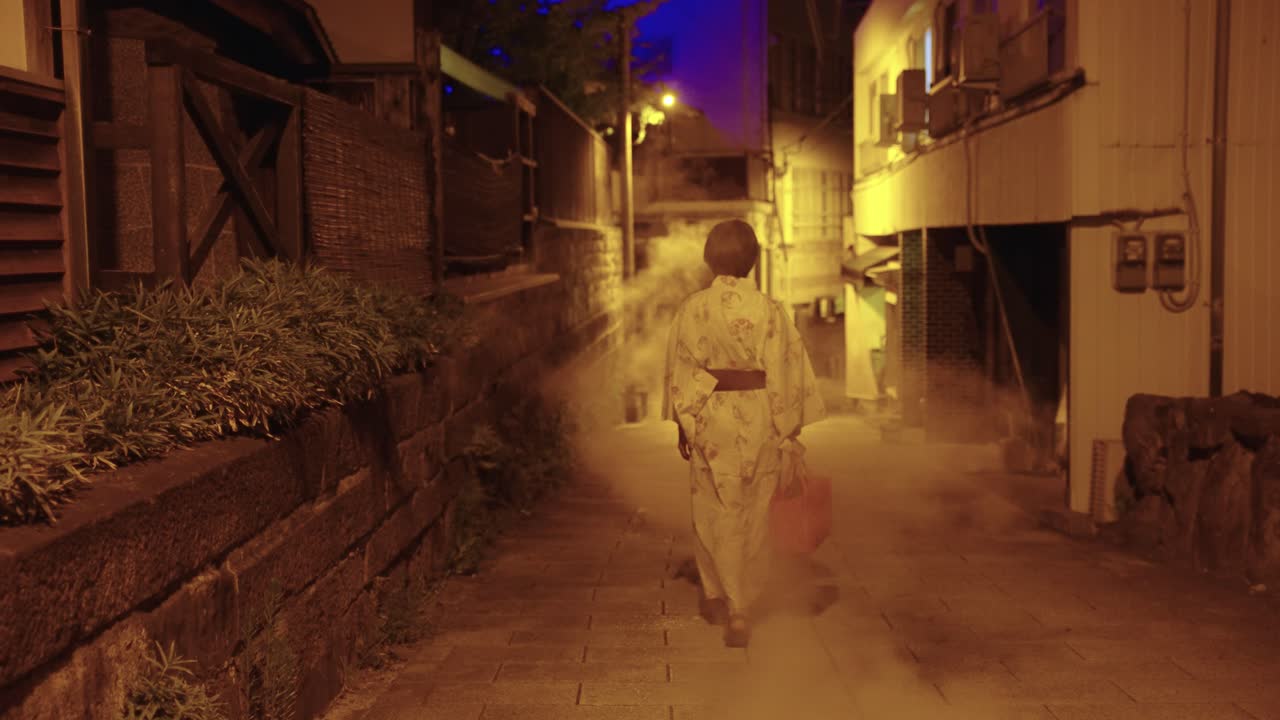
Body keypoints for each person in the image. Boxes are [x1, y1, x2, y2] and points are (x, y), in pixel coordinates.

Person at [662, 219, 825, 648]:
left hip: (711, 418)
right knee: (752, 515)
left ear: (709, 258)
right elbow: (786, 373)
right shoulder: (769, 311)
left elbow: (682, 368)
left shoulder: (693, 308)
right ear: (753, 260)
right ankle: (741, 607)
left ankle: (716, 595)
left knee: (711, 509)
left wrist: (687, 418)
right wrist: (789, 431)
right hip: (758, 421)